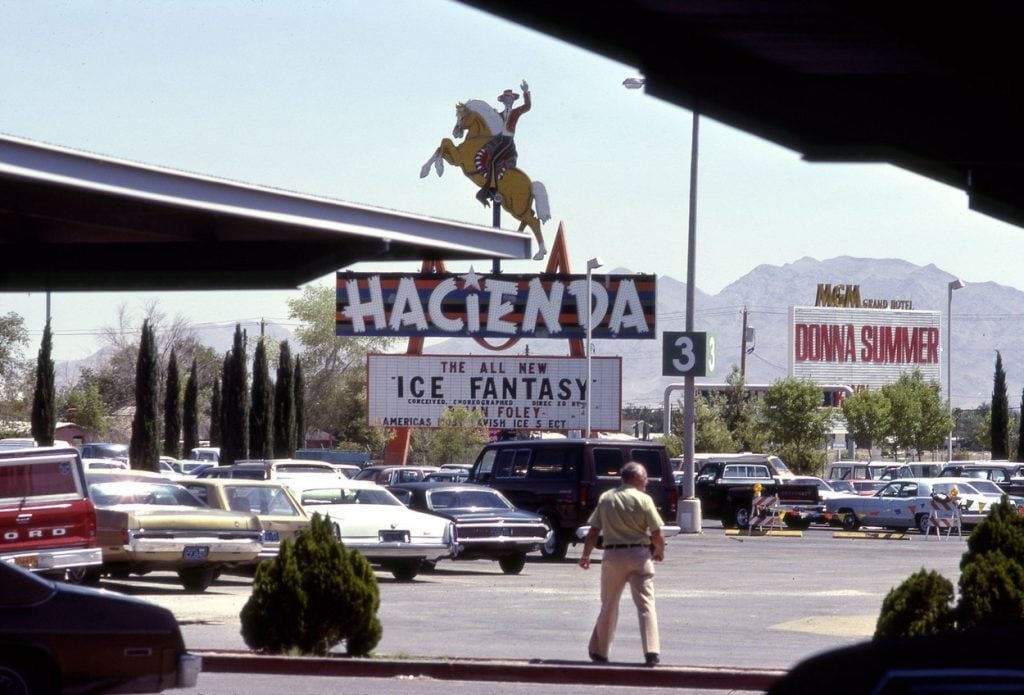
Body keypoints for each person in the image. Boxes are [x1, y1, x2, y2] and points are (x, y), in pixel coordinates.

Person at [579, 461, 666, 667]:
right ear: (634, 479)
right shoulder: (644, 500)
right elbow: (657, 533)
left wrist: (586, 556)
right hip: (639, 555)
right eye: (644, 477)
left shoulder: (606, 498)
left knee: (609, 605)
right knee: (646, 604)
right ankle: (651, 652)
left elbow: (593, 531)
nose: (647, 481)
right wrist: (659, 551)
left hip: (613, 556)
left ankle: (600, 651)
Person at [476, 79, 531, 204]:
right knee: (490, 159)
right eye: (506, 99)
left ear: (513, 101)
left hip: (508, 141)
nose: (508, 101)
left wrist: (526, 92)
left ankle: (491, 189)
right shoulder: (499, 115)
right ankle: (489, 189)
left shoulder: (516, 112)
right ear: (503, 101)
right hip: (500, 140)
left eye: (510, 99)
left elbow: (527, 106)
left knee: (494, 160)